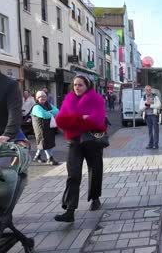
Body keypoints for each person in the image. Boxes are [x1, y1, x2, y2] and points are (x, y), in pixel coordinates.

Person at [54, 75, 107, 222]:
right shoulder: (69, 99)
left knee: (95, 170)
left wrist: (75, 121)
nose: (77, 87)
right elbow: (60, 120)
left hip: (92, 141)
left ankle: (95, 198)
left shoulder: (96, 99)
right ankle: (70, 210)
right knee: (73, 174)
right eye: (75, 85)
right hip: (74, 142)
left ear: (87, 86)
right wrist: (81, 118)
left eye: (80, 85)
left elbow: (97, 121)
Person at [31, 91, 59, 165]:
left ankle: (37, 157)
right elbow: (44, 115)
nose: (43, 98)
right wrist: (51, 113)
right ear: (37, 98)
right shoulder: (36, 107)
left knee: (47, 143)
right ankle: (50, 158)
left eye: (44, 96)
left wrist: (48, 112)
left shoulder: (48, 104)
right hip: (40, 128)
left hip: (49, 127)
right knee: (44, 142)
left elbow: (57, 111)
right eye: (40, 96)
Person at [140, 85, 162, 149]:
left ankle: (156, 144)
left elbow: (159, 105)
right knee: (150, 131)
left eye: (149, 90)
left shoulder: (155, 96)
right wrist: (145, 106)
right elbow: (140, 108)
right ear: (145, 90)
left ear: (151, 90)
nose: (148, 91)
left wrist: (150, 105)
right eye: (147, 90)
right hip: (147, 115)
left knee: (156, 130)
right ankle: (150, 144)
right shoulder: (143, 97)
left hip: (154, 115)